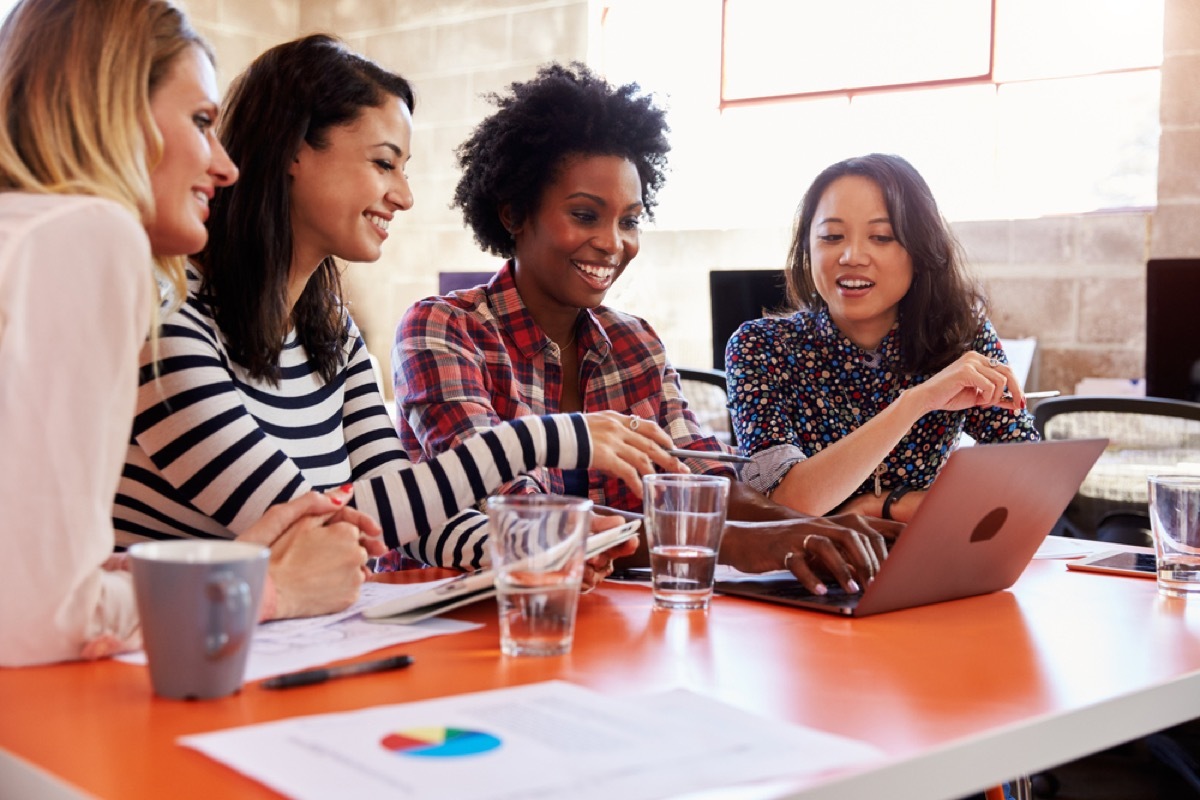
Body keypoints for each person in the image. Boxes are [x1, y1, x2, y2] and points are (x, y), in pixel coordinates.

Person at [114, 36, 682, 590]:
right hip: (154, 665)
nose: (405, 196)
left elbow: (403, 509)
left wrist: (528, 546)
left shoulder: (329, 330)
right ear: (292, 150)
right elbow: (315, 530)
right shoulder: (167, 318)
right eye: (385, 164)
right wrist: (552, 437)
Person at [394, 63, 895, 595]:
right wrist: (741, 544)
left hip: (604, 629)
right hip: (458, 627)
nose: (614, 243)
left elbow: (701, 481)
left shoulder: (635, 343)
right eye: (586, 215)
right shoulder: (443, 330)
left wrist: (807, 528)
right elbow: (519, 514)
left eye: (629, 220)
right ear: (515, 213)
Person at [0, 0, 392, 667]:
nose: (225, 165)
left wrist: (231, 562)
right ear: (114, 109)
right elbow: (41, 619)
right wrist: (269, 587)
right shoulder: (88, 235)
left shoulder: (29, 229)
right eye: (202, 123)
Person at [726, 153, 1039, 523]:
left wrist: (886, 504)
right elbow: (781, 505)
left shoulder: (960, 337)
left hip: (929, 565)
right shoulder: (760, 347)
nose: (852, 255)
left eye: (882, 236)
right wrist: (914, 404)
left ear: (920, 250)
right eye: (831, 236)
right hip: (807, 571)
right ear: (808, 248)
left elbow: (1030, 487)